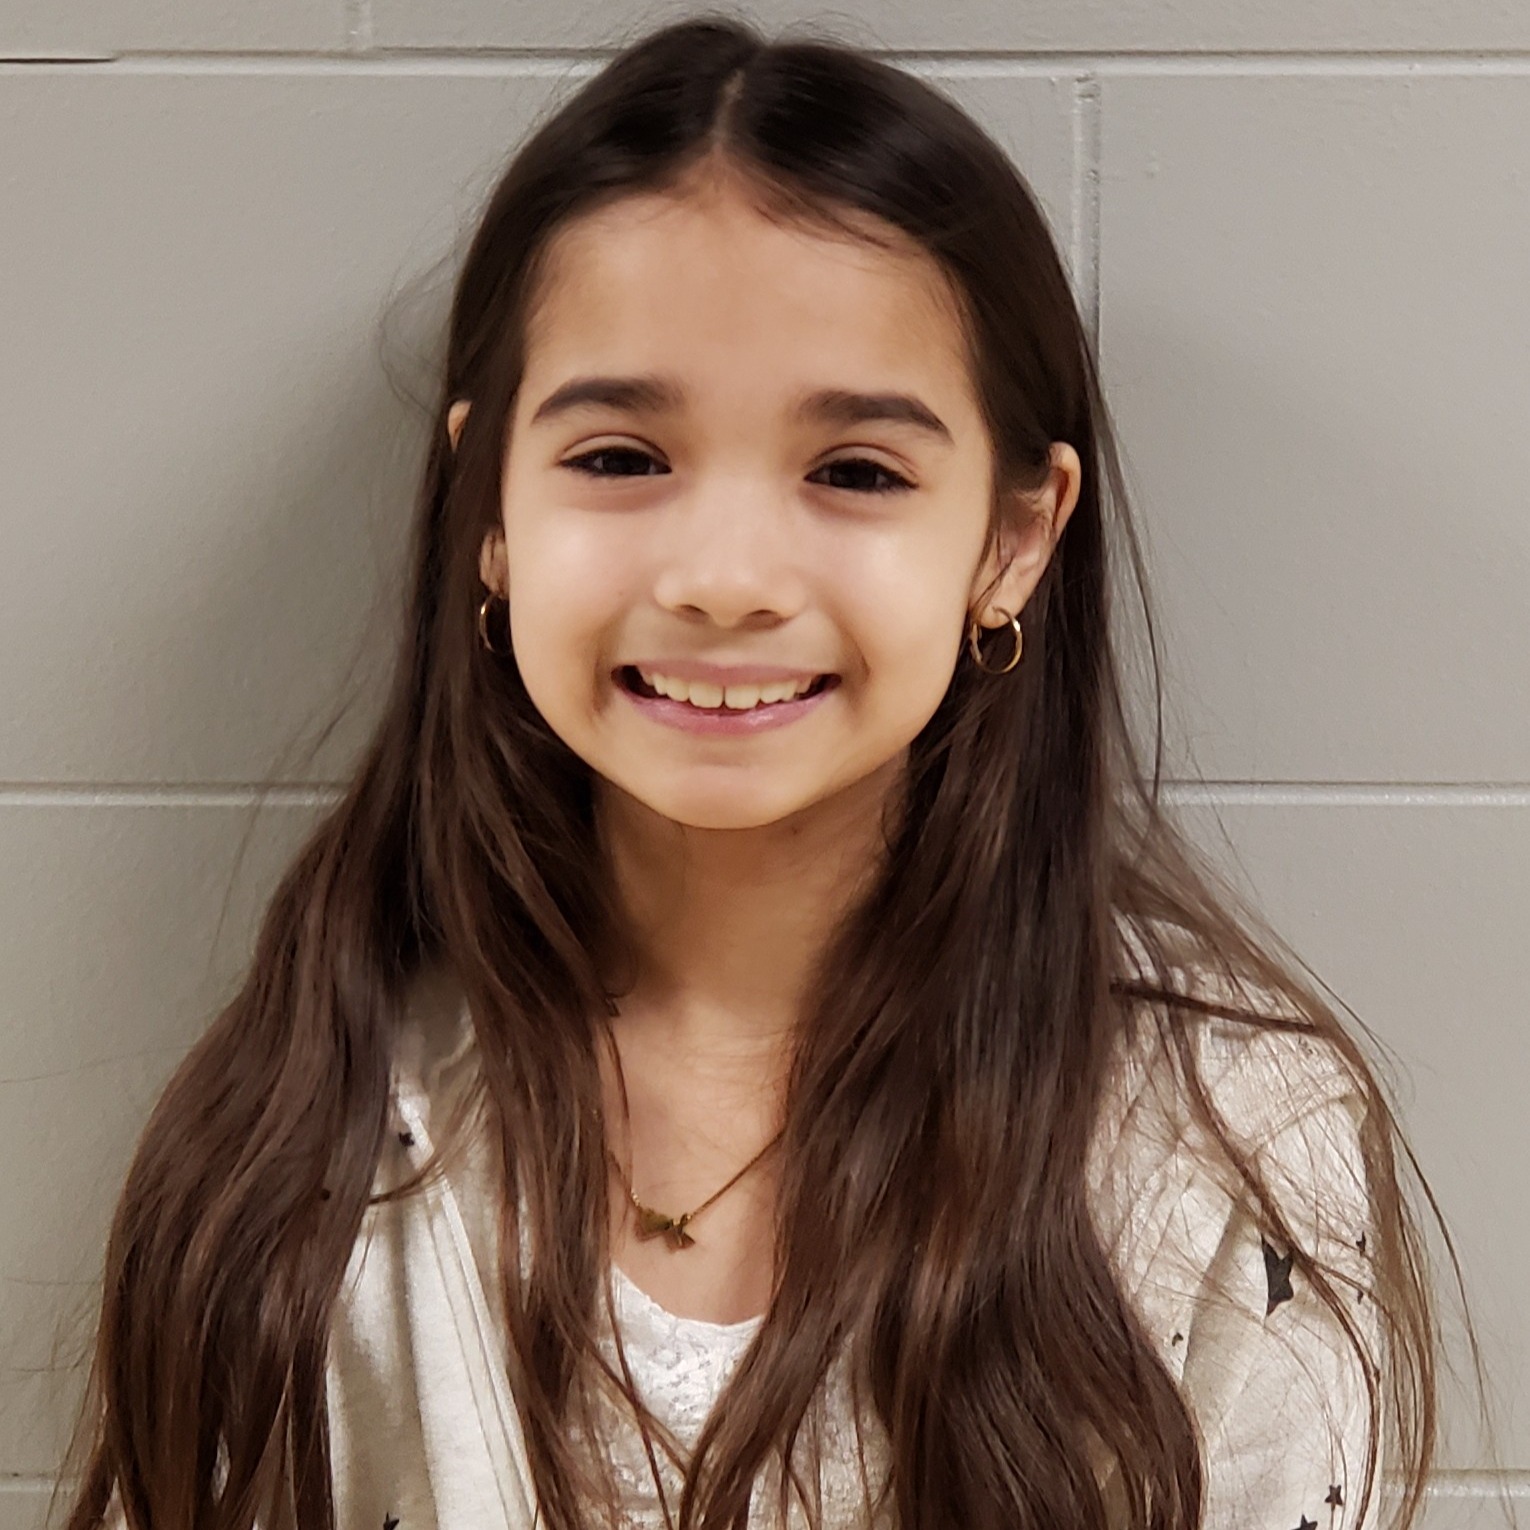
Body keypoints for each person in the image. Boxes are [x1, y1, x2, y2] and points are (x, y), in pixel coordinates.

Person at [55, 13, 1463, 1529]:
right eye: (618, 456)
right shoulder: (311, 1128)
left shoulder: (1231, 1149)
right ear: (491, 510)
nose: (724, 577)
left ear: (1011, 538)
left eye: (853, 471)